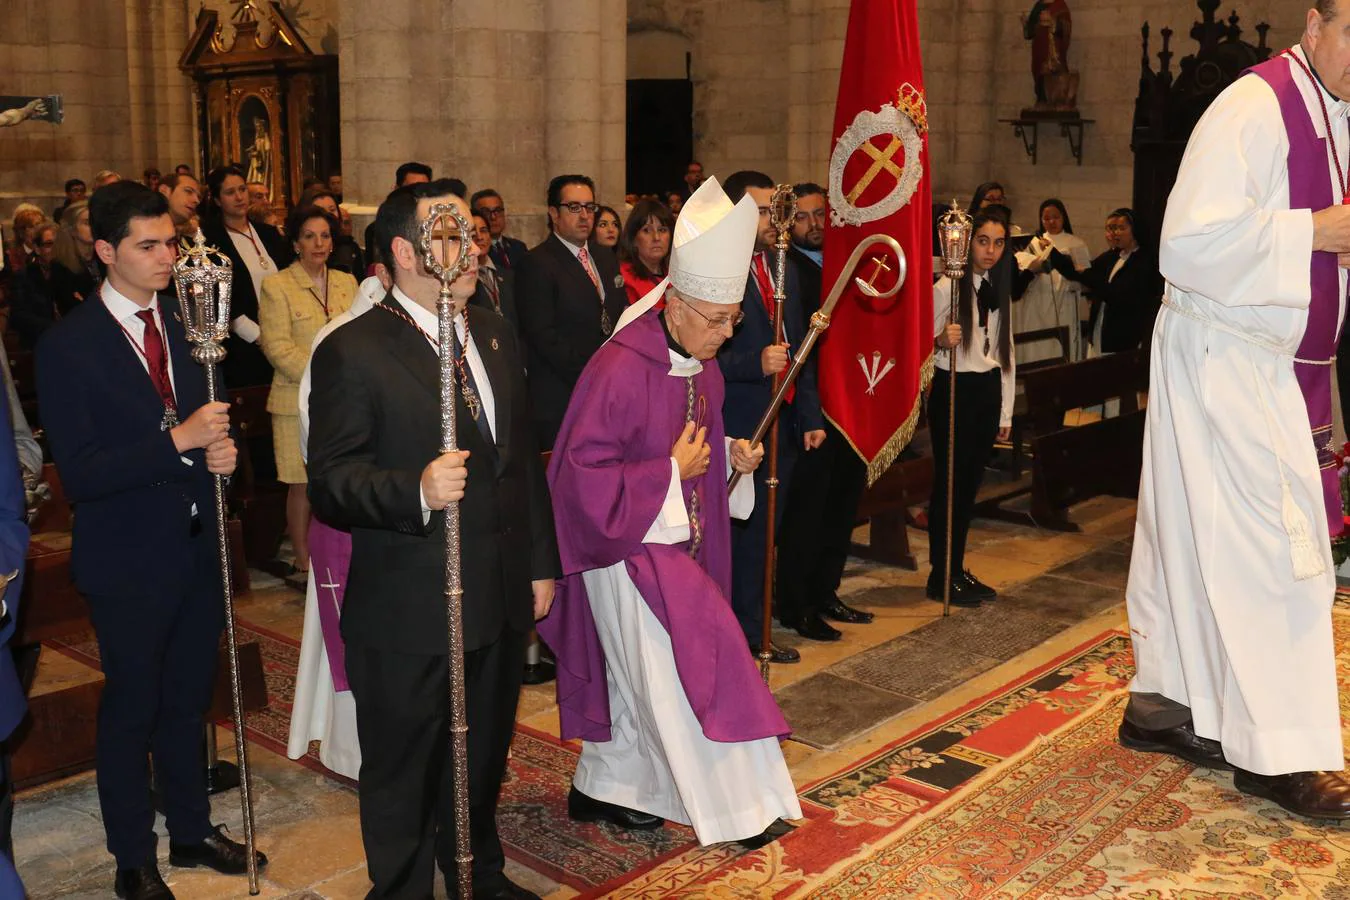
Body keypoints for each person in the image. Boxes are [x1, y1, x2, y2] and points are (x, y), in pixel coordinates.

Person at [1120, 6, 1350, 819]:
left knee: (1187, 541)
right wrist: (1318, 230)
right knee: (1281, 558)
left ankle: (1165, 704)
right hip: (1228, 352)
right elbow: (1184, 244)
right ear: (1316, 22)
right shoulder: (1255, 104)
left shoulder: (1338, 114)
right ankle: (1279, 752)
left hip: (1277, 362)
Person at [308, 180, 560, 899]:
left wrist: (539, 562)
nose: (471, 248)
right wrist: (412, 491)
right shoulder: (354, 350)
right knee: (405, 766)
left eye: (472, 234)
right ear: (402, 251)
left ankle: (477, 870)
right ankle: (403, 890)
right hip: (409, 602)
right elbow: (332, 480)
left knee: (481, 753)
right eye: (450, 235)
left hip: (500, 585)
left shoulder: (492, 328)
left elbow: (520, 461)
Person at [538, 175, 801, 848]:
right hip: (622, 552)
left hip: (676, 547)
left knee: (644, 683)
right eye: (717, 320)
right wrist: (667, 474)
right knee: (681, 673)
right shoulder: (620, 368)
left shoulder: (703, 366)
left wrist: (733, 461)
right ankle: (737, 809)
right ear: (675, 304)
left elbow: (701, 452)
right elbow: (576, 478)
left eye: (733, 319)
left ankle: (604, 786)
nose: (727, 332)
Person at [35, 182, 263, 900]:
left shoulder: (191, 320)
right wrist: (180, 442)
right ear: (105, 251)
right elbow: (85, 471)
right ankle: (133, 857)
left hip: (197, 542)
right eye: (149, 245)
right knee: (133, 705)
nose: (169, 256)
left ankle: (191, 833)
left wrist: (220, 455)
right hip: (128, 556)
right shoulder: (69, 345)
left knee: (189, 699)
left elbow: (211, 420)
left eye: (170, 241)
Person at [286, 225, 391, 782]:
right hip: (355, 510)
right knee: (351, 632)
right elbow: (316, 438)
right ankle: (353, 752)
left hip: (401, 514)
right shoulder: (337, 340)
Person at [717, 170, 825, 664]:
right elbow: (699, 356)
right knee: (743, 533)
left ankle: (759, 624)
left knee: (769, 534)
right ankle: (739, 632)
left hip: (782, 420)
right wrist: (752, 363)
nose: (771, 221)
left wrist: (810, 415)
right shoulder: (717, 269)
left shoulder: (781, 265)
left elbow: (803, 347)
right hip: (738, 421)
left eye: (771, 210)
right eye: (761, 211)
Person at [775, 181, 873, 641]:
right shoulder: (786, 268)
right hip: (813, 407)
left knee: (841, 505)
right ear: (787, 222)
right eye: (803, 217)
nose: (814, 225)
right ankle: (796, 604)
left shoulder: (846, 261)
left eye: (820, 215)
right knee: (806, 513)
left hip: (851, 401)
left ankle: (827, 590)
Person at [259, 205, 357, 590]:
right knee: (300, 483)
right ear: (296, 243)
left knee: (337, 476)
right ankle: (303, 560)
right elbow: (277, 347)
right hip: (294, 399)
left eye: (325, 236)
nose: (319, 243)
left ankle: (338, 552)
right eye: (310, 236)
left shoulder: (347, 282)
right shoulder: (277, 285)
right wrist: (325, 375)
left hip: (342, 399)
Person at [927, 210, 1015, 607]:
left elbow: (1004, 350)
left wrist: (1005, 413)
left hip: (986, 388)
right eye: (983, 241)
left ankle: (957, 567)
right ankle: (940, 574)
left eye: (998, 242)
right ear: (965, 242)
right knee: (950, 485)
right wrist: (938, 341)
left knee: (969, 487)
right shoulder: (945, 288)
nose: (990, 250)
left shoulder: (996, 286)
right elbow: (918, 349)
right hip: (955, 388)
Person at [516, 174, 628, 448]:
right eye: (574, 207)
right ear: (554, 213)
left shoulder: (604, 257)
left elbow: (616, 315)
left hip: (608, 389)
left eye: (590, 208)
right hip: (561, 393)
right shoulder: (537, 262)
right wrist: (593, 374)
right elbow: (543, 335)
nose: (584, 216)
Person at [200, 165, 292, 389]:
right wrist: (258, 336)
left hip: (284, 335)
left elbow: (289, 277)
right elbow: (216, 296)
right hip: (244, 344)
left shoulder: (268, 233)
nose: (240, 197)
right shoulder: (209, 241)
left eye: (242, 189)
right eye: (230, 192)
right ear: (217, 200)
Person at [1050, 207, 1162, 360]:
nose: (1116, 233)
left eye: (1121, 228)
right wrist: (1051, 253)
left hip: (1123, 338)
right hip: (1099, 331)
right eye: (1114, 228)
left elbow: (1118, 295)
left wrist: (1088, 275)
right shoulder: (1112, 256)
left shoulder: (1143, 262)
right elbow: (1079, 272)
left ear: (1135, 231)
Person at [1014, 198, 1090, 364]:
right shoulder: (1033, 243)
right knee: (1037, 347)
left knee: (1062, 348)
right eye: (1046, 218)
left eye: (1055, 217)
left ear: (1064, 217)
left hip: (1064, 301)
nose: (1051, 222)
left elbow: (1085, 278)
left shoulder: (1076, 243)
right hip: (1036, 301)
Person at [10, 221, 81, 348]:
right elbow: (18, 316)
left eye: (58, 244)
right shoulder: (24, 276)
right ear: (37, 248)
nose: (55, 250)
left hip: (71, 341)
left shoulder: (71, 273)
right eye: (49, 244)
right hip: (37, 343)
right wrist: (54, 328)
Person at [617, 198, 673, 306]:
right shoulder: (623, 277)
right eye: (647, 230)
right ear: (633, 238)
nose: (656, 237)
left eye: (662, 230)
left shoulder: (676, 275)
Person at [470, 208, 518, 327]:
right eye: (472, 233)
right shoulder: (462, 277)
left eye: (484, 230)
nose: (479, 237)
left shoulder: (508, 275)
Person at [471, 189, 528, 271]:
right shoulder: (477, 250)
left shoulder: (518, 247)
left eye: (497, 210)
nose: (493, 217)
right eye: (486, 212)